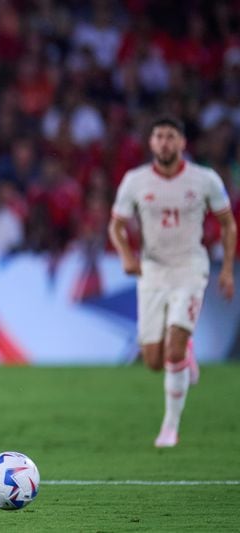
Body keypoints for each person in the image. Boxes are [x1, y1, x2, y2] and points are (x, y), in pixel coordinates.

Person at [108, 116, 236, 448]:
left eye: (171, 136)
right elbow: (116, 226)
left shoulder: (204, 179)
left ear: (182, 143)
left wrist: (226, 270)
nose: (165, 142)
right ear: (151, 143)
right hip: (152, 271)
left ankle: (170, 427)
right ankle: (185, 350)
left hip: (190, 268)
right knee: (152, 360)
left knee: (174, 347)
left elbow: (228, 224)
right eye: (159, 136)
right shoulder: (134, 181)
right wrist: (125, 255)